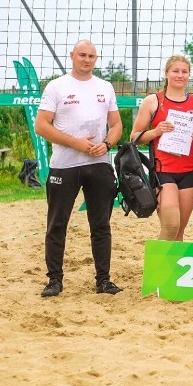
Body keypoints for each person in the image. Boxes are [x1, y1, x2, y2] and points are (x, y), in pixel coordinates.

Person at [34, 39, 123, 297]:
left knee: (101, 225)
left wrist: (107, 144)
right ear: (72, 56)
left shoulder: (105, 87)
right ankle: (54, 280)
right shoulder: (57, 86)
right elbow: (42, 125)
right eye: (82, 55)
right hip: (64, 165)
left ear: (96, 59)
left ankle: (104, 281)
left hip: (98, 164)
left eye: (91, 56)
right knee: (57, 224)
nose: (86, 59)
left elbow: (116, 125)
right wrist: (76, 143)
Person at [130, 55, 193, 241]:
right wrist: (156, 131)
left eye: (184, 72)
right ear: (166, 74)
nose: (180, 75)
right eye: (175, 71)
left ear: (189, 75)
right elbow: (134, 138)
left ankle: (172, 269)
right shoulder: (153, 101)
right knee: (171, 225)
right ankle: (157, 269)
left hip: (190, 171)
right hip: (163, 170)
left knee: (179, 231)